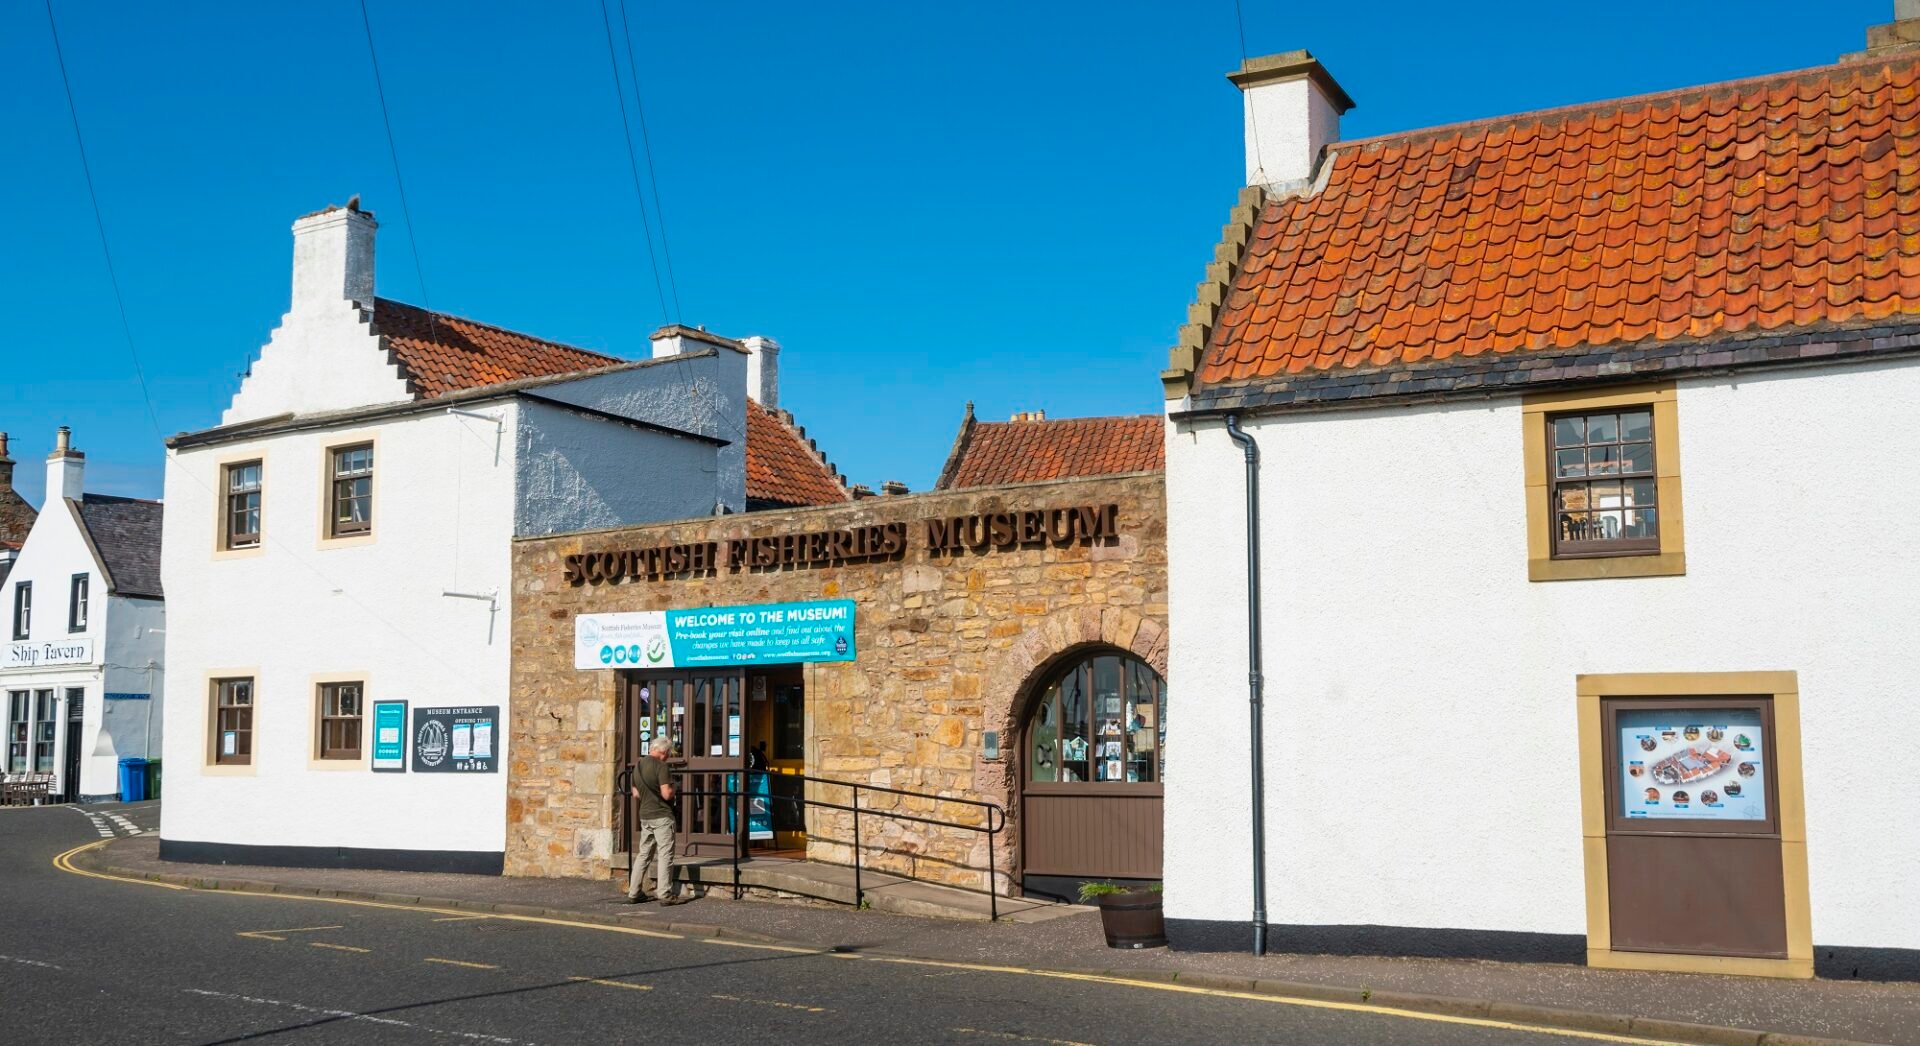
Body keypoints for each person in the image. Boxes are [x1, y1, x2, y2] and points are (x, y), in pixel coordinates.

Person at [627, 735, 686, 906]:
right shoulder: (661, 767)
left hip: (645, 815)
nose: (669, 757)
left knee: (644, 854)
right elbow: (667, 794)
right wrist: (674, 787)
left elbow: (636, 794)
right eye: (669, 753)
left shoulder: (637, 766)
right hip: (661, 816)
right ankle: (665, 894)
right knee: (665, 854)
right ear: (664, 751)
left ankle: (634, 892)